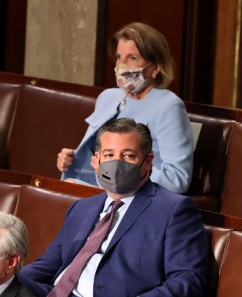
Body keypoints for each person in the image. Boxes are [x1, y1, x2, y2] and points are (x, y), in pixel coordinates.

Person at [19, 117, 208, 297]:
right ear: (97, 160)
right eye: (109, 155)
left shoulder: (173, 209)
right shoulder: (82, 207)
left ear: (148, 161)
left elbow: (189, 279)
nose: (117, 164)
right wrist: (6, 280)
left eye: (128, 156)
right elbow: (48, 264)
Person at [57, 22, 194, 194]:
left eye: (132, 58)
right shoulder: (107, 97)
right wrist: (71, 160)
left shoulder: (169, 106)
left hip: (133, 199)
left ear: (156, 67)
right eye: (119, 57)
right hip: (88, 190)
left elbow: (177, 179)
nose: (122, 66)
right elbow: (98, 159)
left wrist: (119, 171)